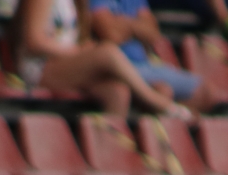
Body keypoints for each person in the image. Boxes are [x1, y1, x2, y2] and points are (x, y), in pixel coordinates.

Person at [13, 0, 192, 118]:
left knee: (118, 91)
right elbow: (33, 42)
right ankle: (156, 101)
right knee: (107, 51)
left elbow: (77, 38)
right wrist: (76, 52)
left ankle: (113, 155)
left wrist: (84, 48)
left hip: (66, 64)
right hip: (40, 68)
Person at [87, 0, 216, 110]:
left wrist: (127, 25)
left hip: (146, 65)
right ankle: (169, 117)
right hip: (117, 68)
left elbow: (154, 35)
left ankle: (178, 121)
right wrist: (138, 25)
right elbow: (111, 34)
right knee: (162, 90)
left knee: (206, 92)